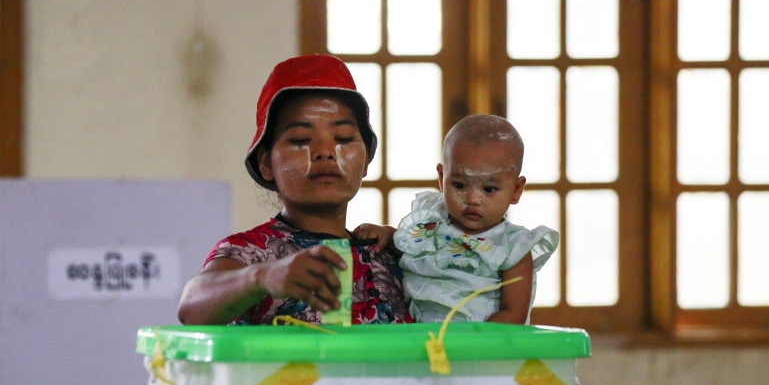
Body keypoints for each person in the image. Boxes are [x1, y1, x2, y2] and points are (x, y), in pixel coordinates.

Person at [177, 55, 412, 325]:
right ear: (267, 163)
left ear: (366, 160)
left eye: (344, 139)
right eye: (301, 140)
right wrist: (263, 277)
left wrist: (408, 245)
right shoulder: (251, 253)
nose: (325, 152)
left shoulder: (388, 253)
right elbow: (191, 307)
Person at [353, 115, 558, 324]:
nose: (472, 199)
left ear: (516, 190)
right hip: (418, 338)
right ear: (442, 178)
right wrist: (387, 234)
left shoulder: (513, 248)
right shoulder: (431, 221)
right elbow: (409, 247)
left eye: (489, 189)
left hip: (481, 345)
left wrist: (473, 346)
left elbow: (514, 313)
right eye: (459, 185)